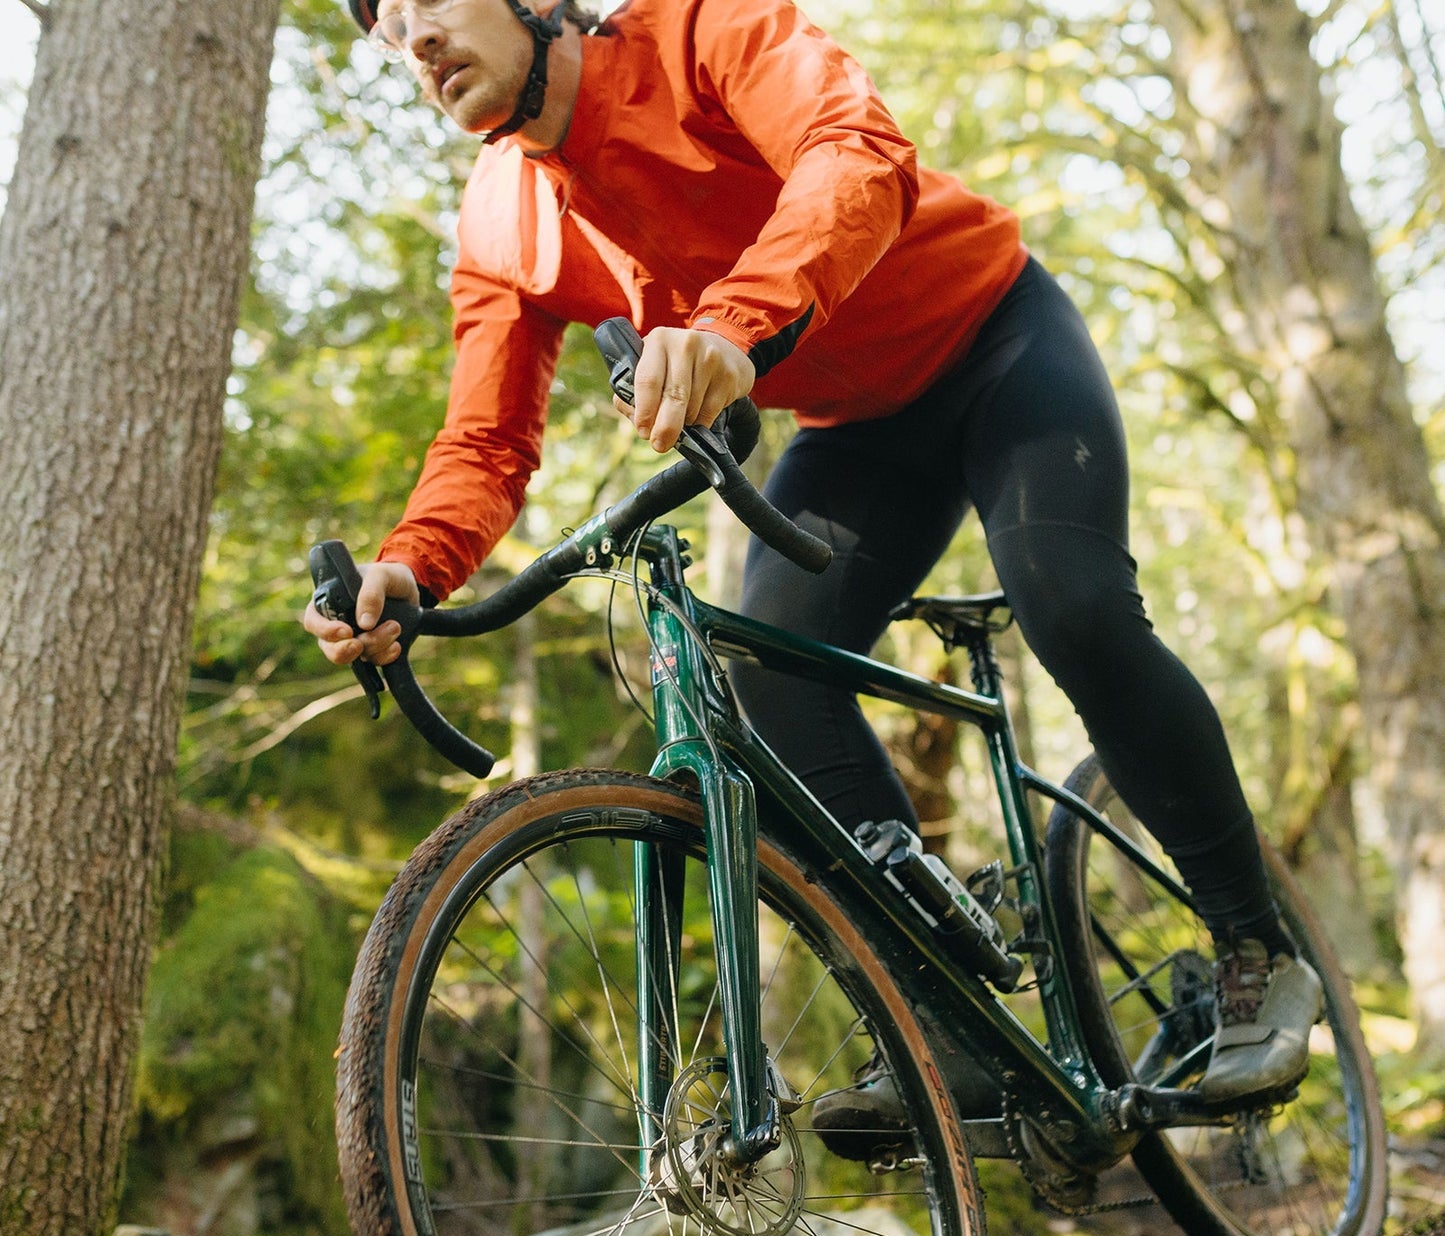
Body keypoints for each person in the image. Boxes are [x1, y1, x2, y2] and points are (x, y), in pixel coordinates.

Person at [303, 0, 1321, 1126]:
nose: (415, 37)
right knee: (773, 673)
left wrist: (731, 325)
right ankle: (942, 1030)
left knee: (1073, 604)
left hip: (995, 341)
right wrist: (410, 566)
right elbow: (486, 439)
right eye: (386, 26)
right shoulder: (502, 224)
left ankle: (1253, 946)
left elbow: (855, 153)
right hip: (856, 432)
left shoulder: (697, 29)